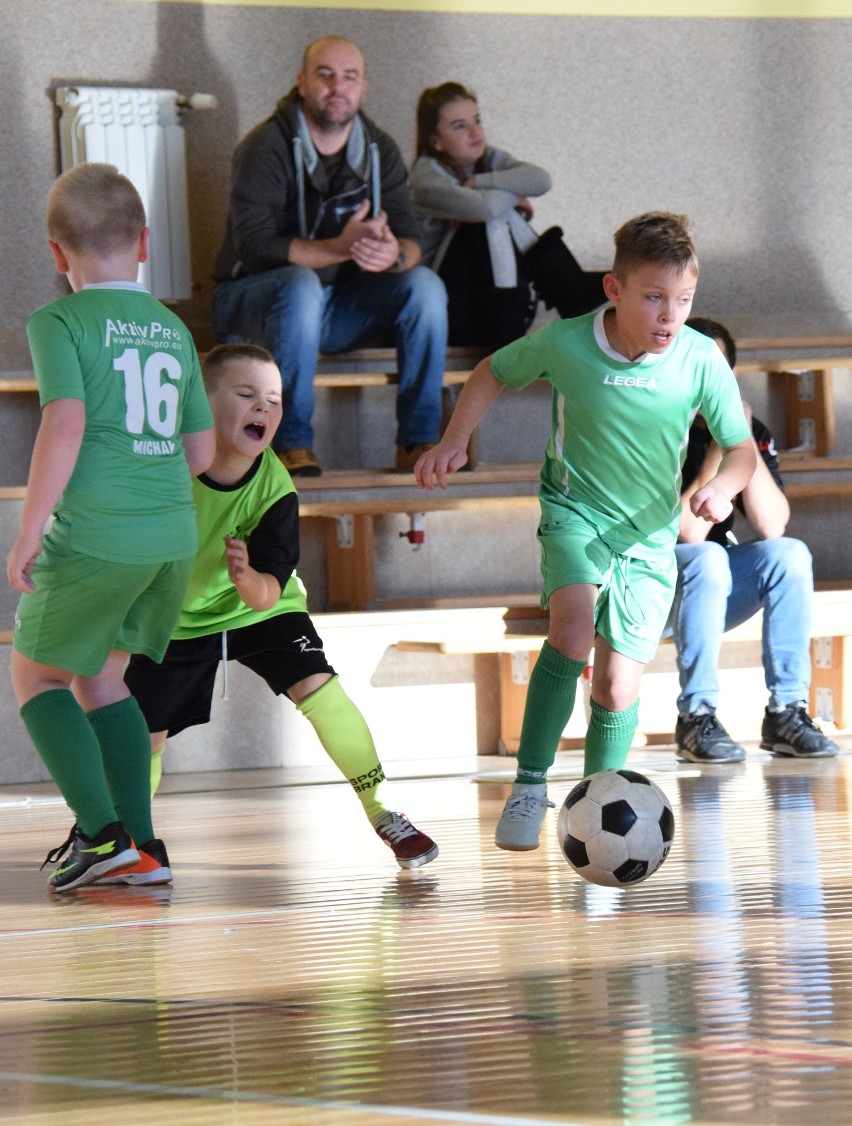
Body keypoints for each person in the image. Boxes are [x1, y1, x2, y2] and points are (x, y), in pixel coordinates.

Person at [415, 212, 756, 852]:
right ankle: (528, 785)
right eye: (654, 297)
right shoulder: (566, 343)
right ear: (614, 290)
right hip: (576, 513)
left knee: (617, 684)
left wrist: (722, 487)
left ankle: (598, 804)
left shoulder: (700, 358)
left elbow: (741, 450)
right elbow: (491, 370)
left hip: (648, 537)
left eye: (682, 300)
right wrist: (455, 440)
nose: (668, 315)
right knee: (571, 632)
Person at [123, 343, 439, 871]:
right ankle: (130, 838)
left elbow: (270, 586)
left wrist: (246, 581)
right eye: (247, 394)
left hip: (261, 608)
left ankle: (382, 808)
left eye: (274, 399)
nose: (264, 408)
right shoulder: (160, 467)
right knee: (143, 733)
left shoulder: (274, 487)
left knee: (317, 683)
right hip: (173, 619)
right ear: (198, 403)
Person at [6, 163, 216, 892]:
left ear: (57, 254)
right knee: (104, 678)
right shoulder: (172, 329)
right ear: (145, 243)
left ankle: (99, 837)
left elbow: (64, 423)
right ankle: (144, 846)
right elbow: (202, 452)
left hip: (98, 534)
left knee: (36, 674)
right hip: (169, 540)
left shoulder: (57, 320)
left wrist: (31, 530)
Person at [212, 35, 448, 478]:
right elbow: (254, 246)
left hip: (329, 310)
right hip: (248, 306)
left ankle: (418, 440)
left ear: (363, 88)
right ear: (302, 83)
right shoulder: (265, 146)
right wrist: (340, 248)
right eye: (325, 75)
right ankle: (291, 442)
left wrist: (392, 254)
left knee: (425, 286)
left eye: (349, 77)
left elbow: (413, 240)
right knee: (300, 283)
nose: (337, 87)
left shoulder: (380, 150)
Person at [669, 316, 840, 762]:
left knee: (789, 555)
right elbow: (687, 532)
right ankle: (696, 717)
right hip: (648, 589)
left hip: (712, 592)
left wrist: (738, 440)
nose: (705, 383)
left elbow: (772, 524)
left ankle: (786, 711)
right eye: (694, 369)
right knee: (705, 555)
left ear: (732, 377)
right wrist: (716, 455)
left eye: (716, 372)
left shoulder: (747, 431)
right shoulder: (656, 426)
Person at [410, 82, 605, 351]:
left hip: (478, 299)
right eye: (459, 126)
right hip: (446, 304)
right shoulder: (426, 177)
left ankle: (555, 296)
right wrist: (515, 194)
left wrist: (481, 181)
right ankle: (565, 292)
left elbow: (541, 180)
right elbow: (486, 209)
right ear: (435, 141)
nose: (475, 132)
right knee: (490, 217)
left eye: (476, 120)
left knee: (496, 210)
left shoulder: (486, 159)